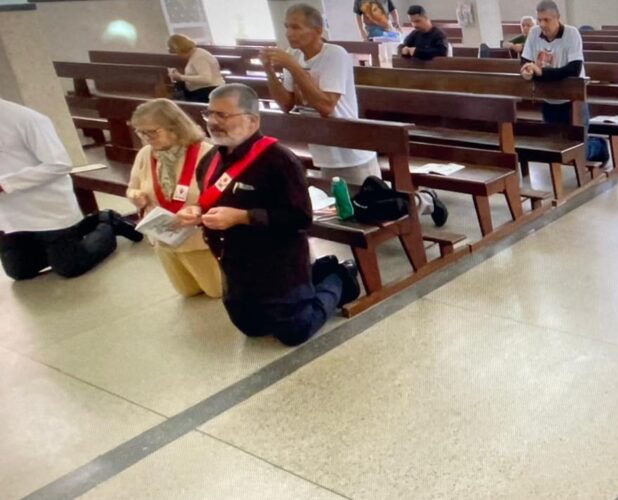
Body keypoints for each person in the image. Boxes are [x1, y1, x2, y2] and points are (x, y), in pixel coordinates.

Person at [176, 84, 360, 346]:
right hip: (234, 264)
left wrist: (243, 217)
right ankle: (318, 273)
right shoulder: (210, 161)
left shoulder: (279, 160)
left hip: (279, 262)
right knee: (251, 328)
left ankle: (339, 277)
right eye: (209, 114)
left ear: (252, 121)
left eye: (223, 115)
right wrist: (197, 211)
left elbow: (300, 219)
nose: (213, 122)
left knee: (294, 332)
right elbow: (209, 200)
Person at [261, 3, 448, 226]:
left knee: (380, 208)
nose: (289, 33)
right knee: (349, 212)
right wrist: (269, 71)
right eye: (287, 27)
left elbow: (325, 106)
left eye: (296, 27)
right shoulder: (294, 57)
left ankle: (425, 199)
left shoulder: (334, 55)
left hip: (351, 145)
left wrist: (293, 67)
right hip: (322, 144)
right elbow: (286, 105)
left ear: (318, 31)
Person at [0, 99, 142, 281]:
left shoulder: (27, 119)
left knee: (71, 265)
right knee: (20, 271)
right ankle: (78, 231)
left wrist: (5, 184)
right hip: (12, 214)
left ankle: (107, 223)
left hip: (46, 207)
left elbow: (59, 164)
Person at [127, 98, 222, 298]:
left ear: (175, 127)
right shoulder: (145, 154)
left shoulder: (206, 152)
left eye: (152, 132)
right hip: (163, 236)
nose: (146, 138)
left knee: (216, 291)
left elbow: (222, 195)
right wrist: (135, 196)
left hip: (197, 236)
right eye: (141, 132)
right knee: (187, 292)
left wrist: (197, 208)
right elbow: (132, 187)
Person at [520, 0, 608, 164]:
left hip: (574, 98)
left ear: (557, 18)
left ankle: (600, 146)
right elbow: (525, 60)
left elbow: (573, 69)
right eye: (539, 20)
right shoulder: (534, 33)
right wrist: (527, 71)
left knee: (579, 150)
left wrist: (541, 72)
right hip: (548, 97)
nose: (542, 24)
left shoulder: (571, 33)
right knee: (556, 147)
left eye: (547, 20)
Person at [167, 34, 226, 103]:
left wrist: (181, 77)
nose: (178, 56)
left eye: (177, 53)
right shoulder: (196, 54)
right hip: (201, 92)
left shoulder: (199, 57)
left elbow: (206, 79)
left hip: (208, 93)